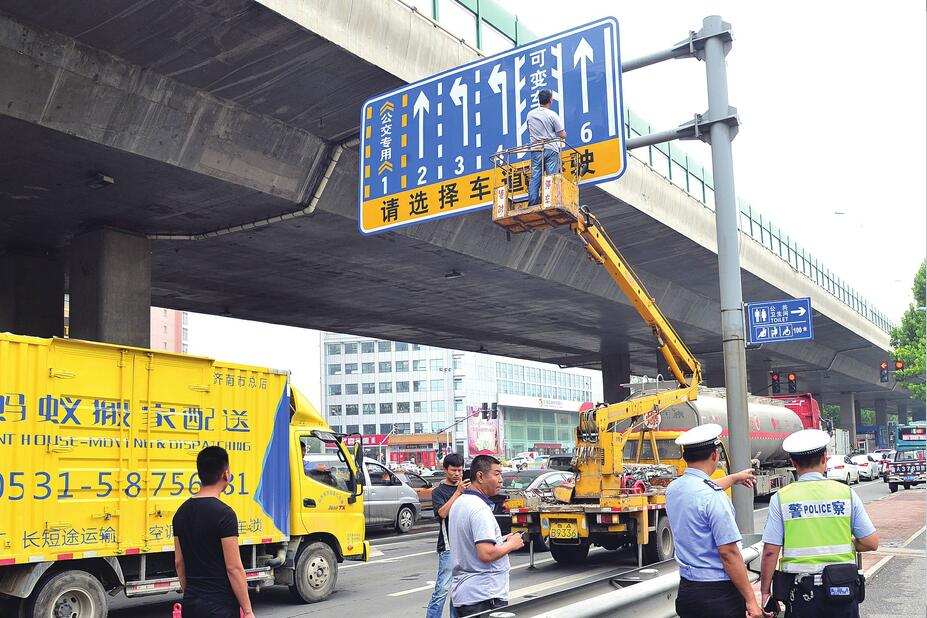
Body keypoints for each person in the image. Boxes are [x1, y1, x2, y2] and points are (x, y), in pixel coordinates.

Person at [759, 429, 879, 617]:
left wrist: (765, 592)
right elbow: (872, 542)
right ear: (825, 458)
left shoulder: (782, 498)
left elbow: (770, 551)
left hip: (801, 595)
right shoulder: (846, 494)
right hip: (842, 590)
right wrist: (848, 545)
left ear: (793, 462)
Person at [665, 424, 767, 618]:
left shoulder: (674, 489)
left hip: (687, 591)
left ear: (686, 456)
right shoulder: (714, 498)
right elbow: (728, 554)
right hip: (718, 595)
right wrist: (751, 601)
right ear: (715, 455)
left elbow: (700, 489)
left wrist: (734, 478)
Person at [173, 446, 254, 618]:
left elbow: (179, 562)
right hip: (220, 607)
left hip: (192, 605)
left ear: (200, 474)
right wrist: (247, 611)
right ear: (226, 474)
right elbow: (234, 568)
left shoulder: (181, 513)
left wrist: (192, 594)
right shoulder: (224, 514)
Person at [449, 454, 524, 617]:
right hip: (484, 597)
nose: (501, 479)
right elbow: (485, 553)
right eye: (496, 474)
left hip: (465, 596)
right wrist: (512, 544)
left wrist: (501, 540)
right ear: (480, 476)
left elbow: (470, 542)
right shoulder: (480, 509)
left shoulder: (460, 503)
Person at [425, 453, 467, 618]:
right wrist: (457, 493)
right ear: (445, 470)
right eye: (453, 470)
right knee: (442, 589)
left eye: (460, 470)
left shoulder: (467, 488)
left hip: (465, 546)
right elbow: (441, 513)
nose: (457, 474)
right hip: (448, 546)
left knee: (460, 589)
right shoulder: (439, 492)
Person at [526, 89, 566, 206]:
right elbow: (562, 134)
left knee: (535, 177)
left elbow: (530, 130)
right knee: (551, 176)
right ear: (550, 100)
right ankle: (551, 201)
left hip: (536, 149)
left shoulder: (530, 114)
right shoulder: (552, 114)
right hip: (551, 149)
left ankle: (533, 202)